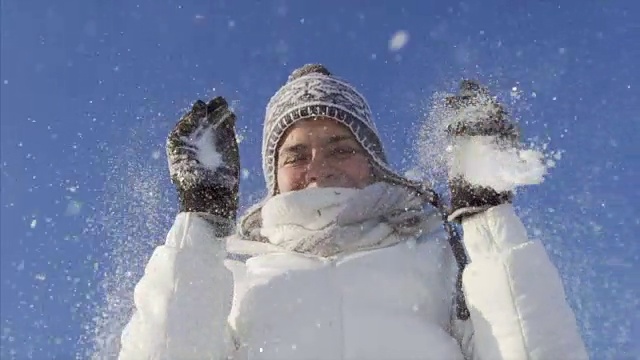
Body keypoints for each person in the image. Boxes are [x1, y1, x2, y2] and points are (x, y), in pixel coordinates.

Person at [117, 64, 588, 359]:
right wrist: (200, 223)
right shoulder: (234, 269)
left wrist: (487, 219)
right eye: (295, 155)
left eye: (340, 147)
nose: (318, 168)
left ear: (373, 160)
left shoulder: (439, 253)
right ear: (273, 175)